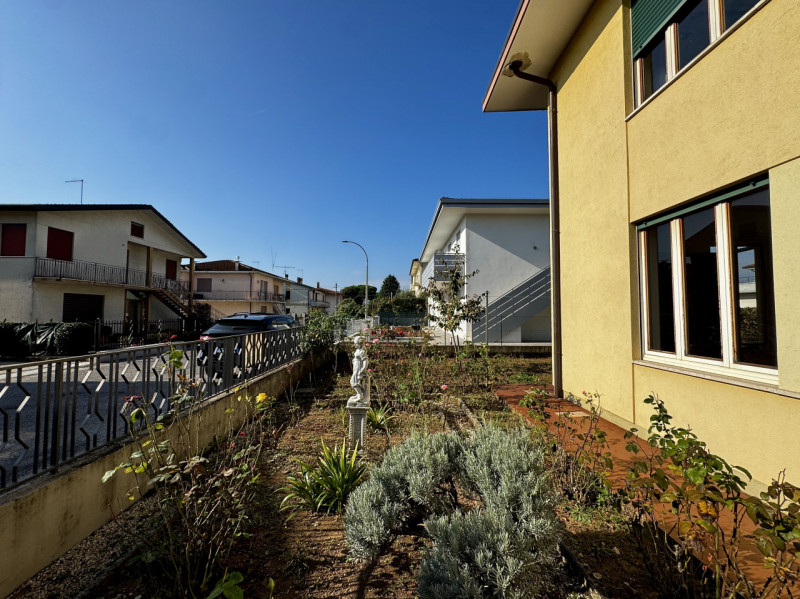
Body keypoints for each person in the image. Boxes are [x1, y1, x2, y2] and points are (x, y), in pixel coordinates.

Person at [347, 336, 369, 407]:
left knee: (353, 381)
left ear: (360, 343)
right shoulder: (358, 350)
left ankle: (360, 395)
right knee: (355, 381)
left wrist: (363, 369)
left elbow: (365, 361)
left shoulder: (362, 352)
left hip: (358, 369)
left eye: (356, 343)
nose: (355, 345)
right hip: (356, 368)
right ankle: (359, 394)